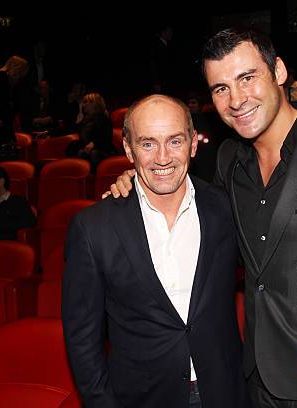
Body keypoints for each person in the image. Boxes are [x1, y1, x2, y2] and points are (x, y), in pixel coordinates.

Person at [108, 27, 297, 407]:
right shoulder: (228, 161)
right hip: (256, 382)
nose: (236, 100)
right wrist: (138, 181)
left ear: (280, 71)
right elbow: (200, 221)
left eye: (247, 78)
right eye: (221, 89)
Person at [62, 95, 249, 408]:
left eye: (174, 141)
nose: (163, 158)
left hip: (226, 391)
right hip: (141, 397)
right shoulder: (93, 227)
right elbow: (82, 338)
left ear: (192, 143)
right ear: (128, 149)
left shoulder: (226, 207)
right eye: (148, 143)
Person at [65, 92, 115, 172]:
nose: (83, 105)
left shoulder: (104, 118)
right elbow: (69, 129)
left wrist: (94, 143)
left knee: (94, 154)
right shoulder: (85, 119)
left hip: (102, 149)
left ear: (94, 104)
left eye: (86, 102)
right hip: (87, 149)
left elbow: (106, 137)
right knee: (74, 146)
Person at [0, 166, 36, 240]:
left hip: (11, 244)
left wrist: (0, 228)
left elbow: (30, 222)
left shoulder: (19, 202)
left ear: (1, 182)